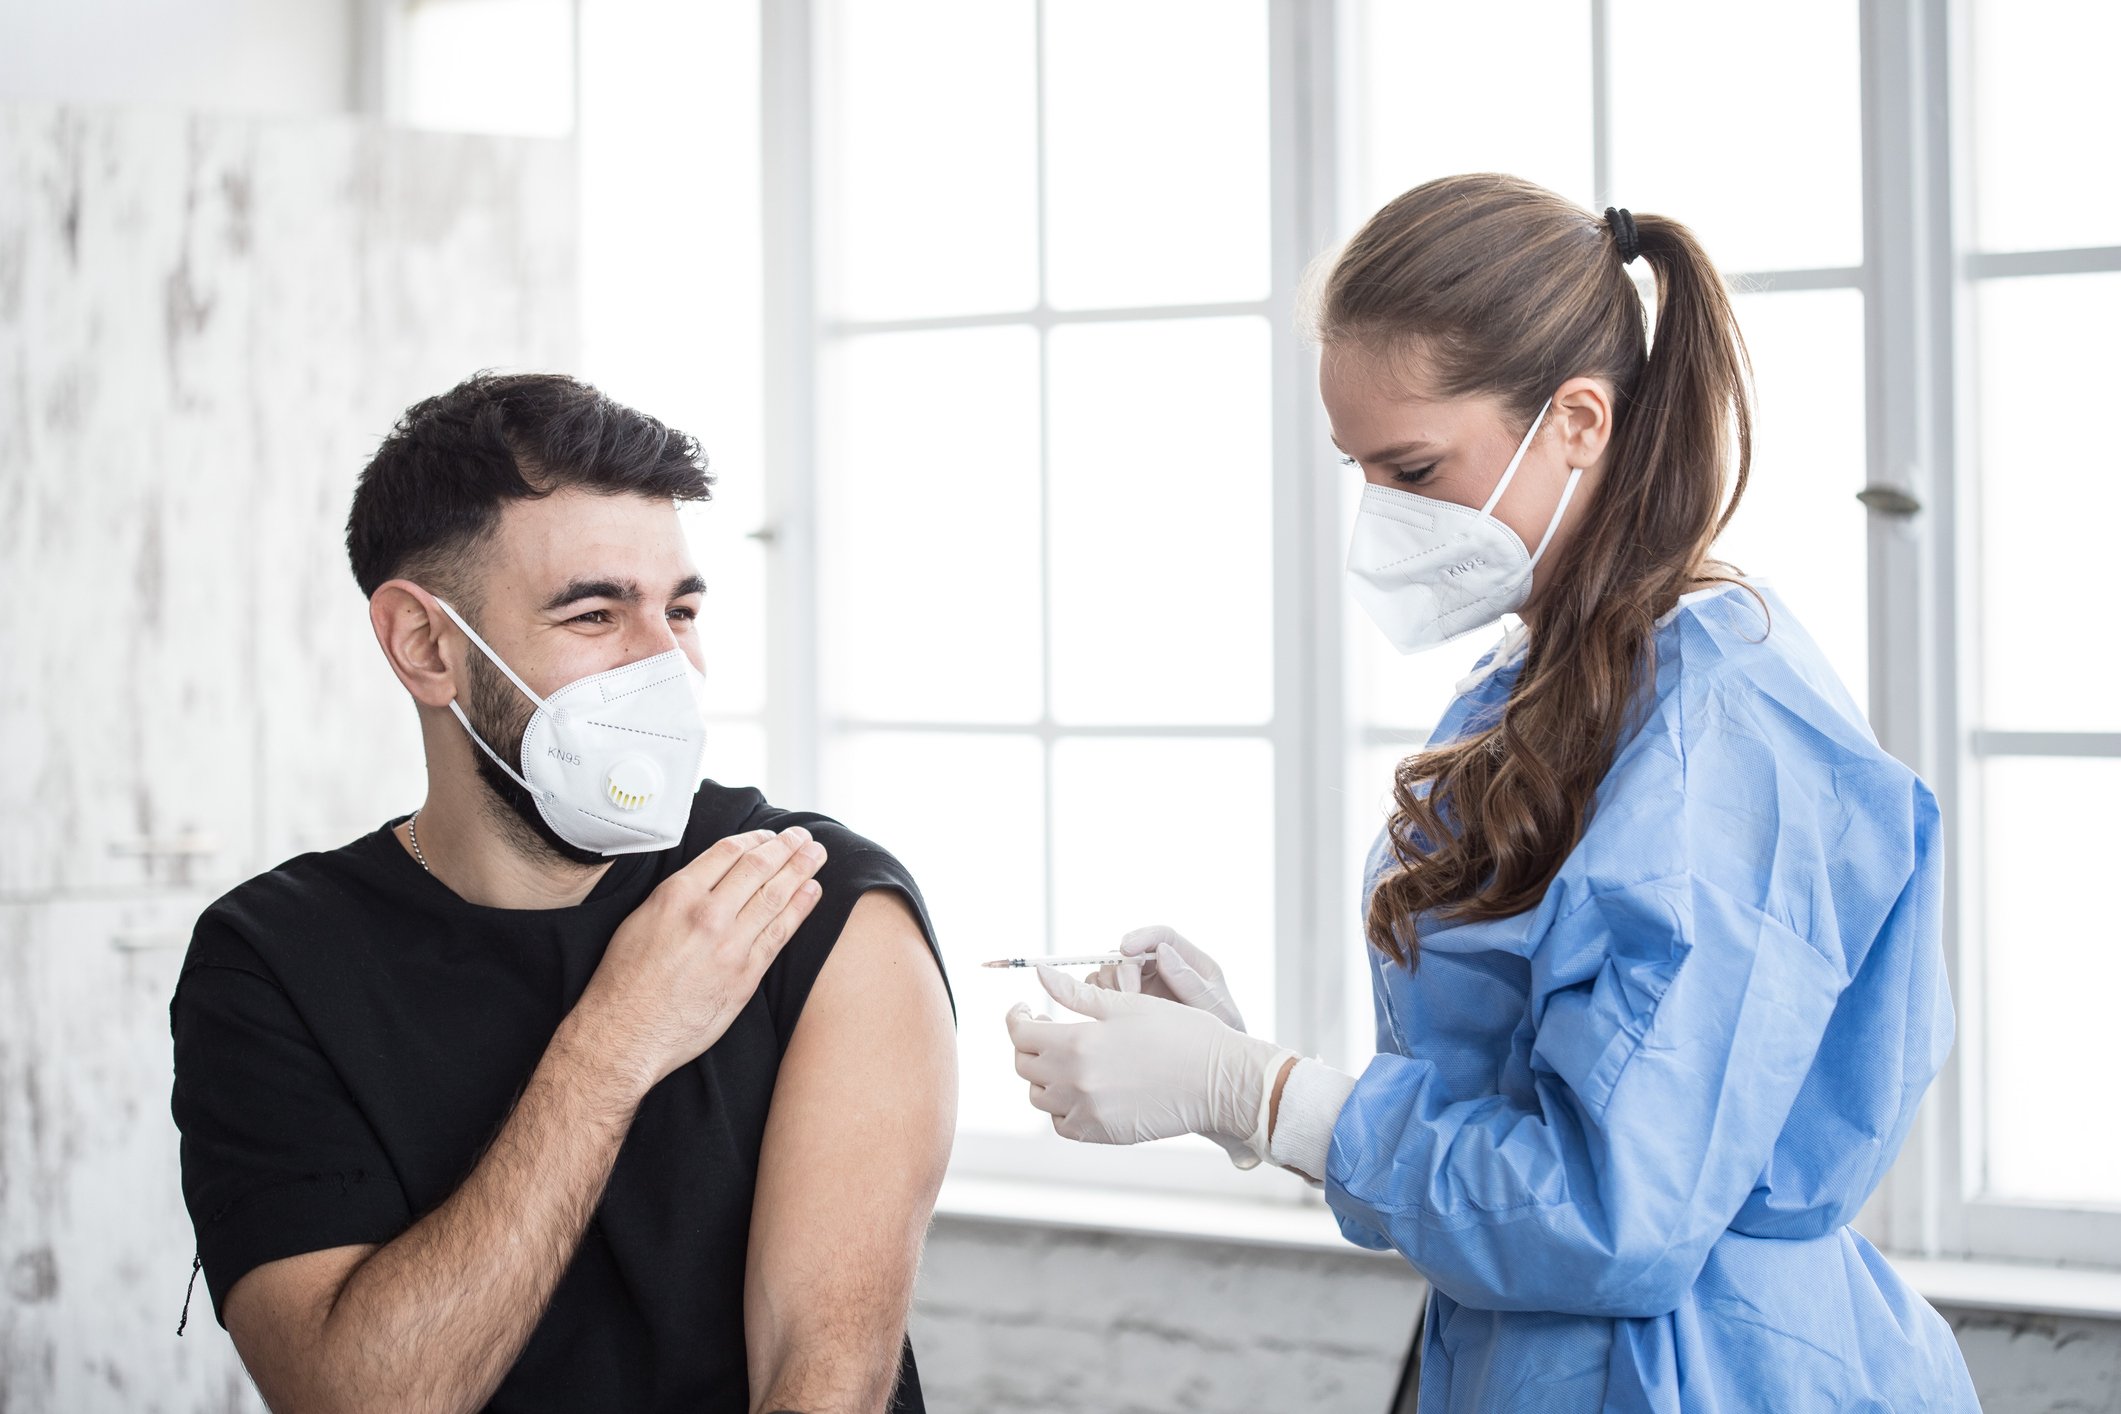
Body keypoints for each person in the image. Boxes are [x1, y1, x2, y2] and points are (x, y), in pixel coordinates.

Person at [1006, 174, 1979, 1411]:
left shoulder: (1724, 732)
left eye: (1414, 466)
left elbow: (1616, 1212)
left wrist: (1263, 1091)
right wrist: (1245, 1068)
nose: (1383, 519)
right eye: (1362, 470)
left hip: (1702, 1371)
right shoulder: (1538, 682)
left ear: (1577, 420)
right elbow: (1517, 1105)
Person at [170, 372, 958, 1414]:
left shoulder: (813, 901)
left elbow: (825, 1386)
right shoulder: (272, 961)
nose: (665, 666)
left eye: (678, 610)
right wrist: (612, 1045)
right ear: (427, 646)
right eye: (596, 612)